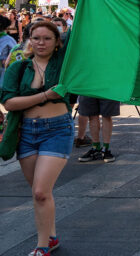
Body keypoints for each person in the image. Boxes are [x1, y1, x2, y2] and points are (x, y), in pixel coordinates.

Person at [0, 21, 73, 256]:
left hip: (58, 130)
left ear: (57, 41)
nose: (41, 43)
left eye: (47, 38)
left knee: (41, 191)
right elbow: (9, 102)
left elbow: (81, 27)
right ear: (29, 40)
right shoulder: (18, 68)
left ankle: (42, 247)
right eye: (36, 38)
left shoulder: (63, 63)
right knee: (39, 192)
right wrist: (45, 95)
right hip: (27, 133)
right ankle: (51, 237)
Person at [76, 95, 120, 163]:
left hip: (109, 86)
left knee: (106, 115)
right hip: (88, 86)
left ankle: (105, 149)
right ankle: (96, 147)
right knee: (92, 115)